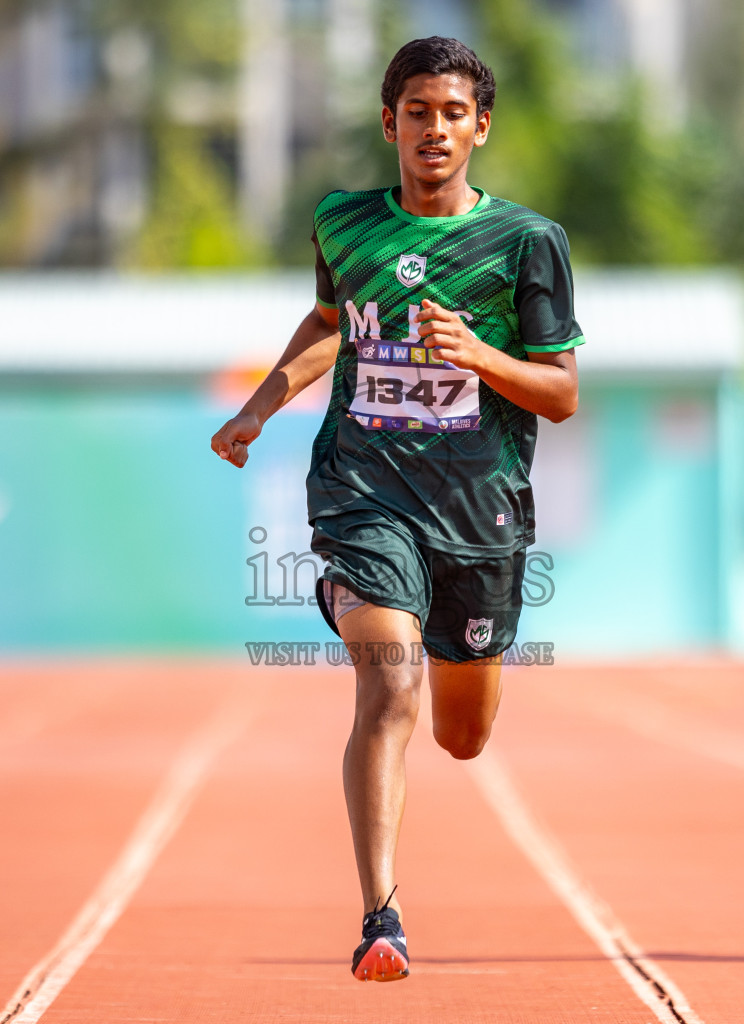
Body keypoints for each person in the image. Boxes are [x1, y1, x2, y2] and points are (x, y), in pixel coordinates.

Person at [211, 37, 581, 982]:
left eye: (453, 113)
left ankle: (451, 649)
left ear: (480, 129)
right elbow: (331, 327)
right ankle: (382, 914)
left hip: (478, 509)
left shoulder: (526, 243)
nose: (434, 129)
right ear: (390, 123)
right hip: (363, 492)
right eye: (418, 111)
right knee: (391, 686)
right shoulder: (344, 224)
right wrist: (260, 405)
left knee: (462, 733)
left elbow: (561, 392)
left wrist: (480, 355)